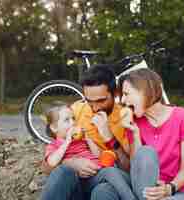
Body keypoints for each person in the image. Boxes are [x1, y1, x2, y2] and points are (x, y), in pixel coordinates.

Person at [41, 65, 132, 200]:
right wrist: (70, 163)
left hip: (106, 179)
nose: (95, 108)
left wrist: (110, 138)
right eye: (89, 101)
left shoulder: (126, 117)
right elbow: (47, 168)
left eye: (101, 100)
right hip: (78, 185)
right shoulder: (75, 112)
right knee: (63, 172)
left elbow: (129, 169)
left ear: (116, 93)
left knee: (103, 190)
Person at [119, 68, 184, 200]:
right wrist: (134, 133)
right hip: (146, 191)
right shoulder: (133, 122)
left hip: (178, 191)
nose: (123, 100)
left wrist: (169, 189)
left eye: (126, 94)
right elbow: (138, 170)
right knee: (145, 153)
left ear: (145, 92)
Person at [41, 104, 137, 200]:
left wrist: (88, 139)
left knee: (107, 178)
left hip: (94, 178)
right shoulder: (54, 146)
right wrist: (67, 142)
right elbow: (52, 162)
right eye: (67, 120)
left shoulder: (81, 141)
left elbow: (98, 155)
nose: (73, 123)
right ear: (54, 128)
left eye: (73, 118)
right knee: (109, 172)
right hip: (78, 183)